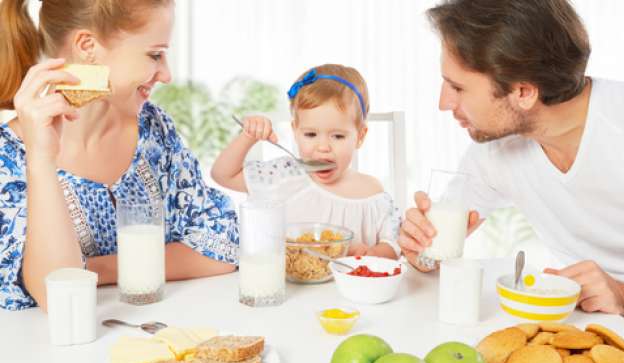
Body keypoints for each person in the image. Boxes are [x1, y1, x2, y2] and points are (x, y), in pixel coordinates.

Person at [399, 0, 624, 322]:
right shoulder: (494, 151)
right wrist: (419, 247)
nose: (443, 103)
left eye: (457, 87)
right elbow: (432, 250)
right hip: (593, 324)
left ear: (523, 92)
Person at [0, 0, 239, 311]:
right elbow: (55, 295)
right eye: (154, 55)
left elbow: (222, 246)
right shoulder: (10, 160)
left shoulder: (154, 129)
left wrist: (99, 268)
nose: (166, 74)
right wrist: (42, 161)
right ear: (87, 46)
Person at [212, 64, 400, 259]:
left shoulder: (371, 193)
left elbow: (393, 245)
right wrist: (248, 136)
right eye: (310, 134)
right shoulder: (283, 175)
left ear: (360, 136)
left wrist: (370, 254)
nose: (323, 147)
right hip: (285, 286)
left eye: (337, 136)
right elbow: (223, 175)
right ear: (295, 131)